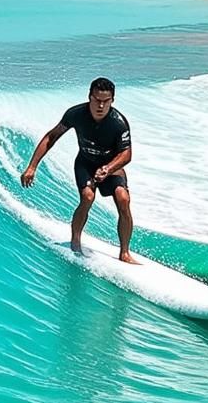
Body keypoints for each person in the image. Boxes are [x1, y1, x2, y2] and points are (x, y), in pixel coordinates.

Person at [20, 77, 136, 263]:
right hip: (85, 163)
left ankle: (124, 253)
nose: (100, 105)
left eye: (106, 101)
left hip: (111, 165)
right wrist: (32, 166)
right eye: (97, 99)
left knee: (123, 199)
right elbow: (51, 137)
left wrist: (108, 168)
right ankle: (75, 243)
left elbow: (126, 155)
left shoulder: (118, 123)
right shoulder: (76, 114)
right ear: (89, 97)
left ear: (112, 101)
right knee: (87, 197)